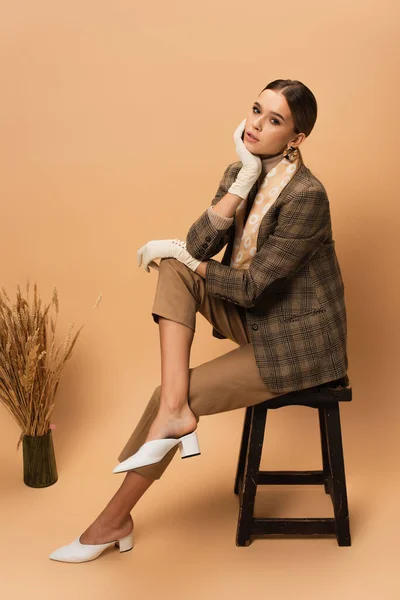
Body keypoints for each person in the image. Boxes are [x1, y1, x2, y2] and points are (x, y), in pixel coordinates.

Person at [49, 79, 348, 563]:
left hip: (296, 342)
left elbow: (250, 287)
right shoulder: (240, 171)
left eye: (274, 120)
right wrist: (241, 184)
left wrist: (191, 261)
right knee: (175, 268)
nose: (255, 124)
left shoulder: (307, 196)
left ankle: (113, 519)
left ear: (296, 139)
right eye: (255, 110)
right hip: (256, 319)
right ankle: (174, 406)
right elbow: (196, 246)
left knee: (181, 291)